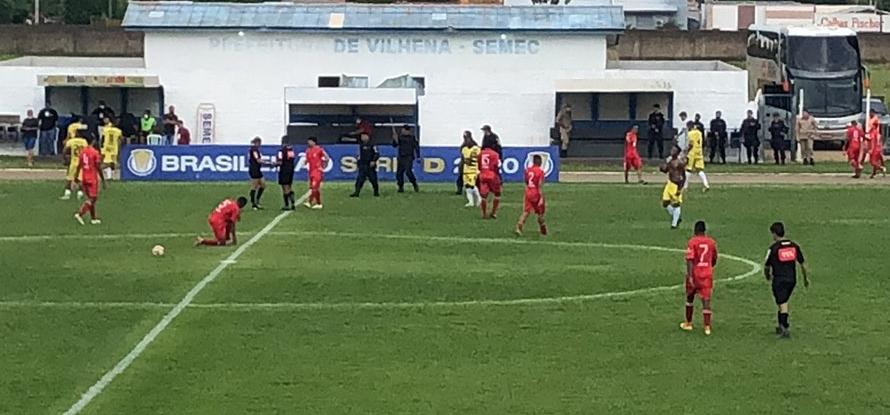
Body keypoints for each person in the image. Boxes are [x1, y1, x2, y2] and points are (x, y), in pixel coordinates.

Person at [764, 222, 809, 338]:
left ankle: (785, 327)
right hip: (792, 280)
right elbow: (802, 264)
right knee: (782, 302)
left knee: (782, 303)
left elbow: (766, 266)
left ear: (774, 234)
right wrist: (805, 279)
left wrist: (768, 276)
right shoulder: (794, 246)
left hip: (779, 280)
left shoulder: (773, 248)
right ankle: (780, 325)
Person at [680, 220, 718, 336]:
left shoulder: (692, 242)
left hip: (695, 273)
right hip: (707, 273)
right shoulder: (711, 242)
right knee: (706, 300)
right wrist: (709, 267)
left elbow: (690, 259)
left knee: (690, 297)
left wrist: (690, 276)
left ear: (695, 230)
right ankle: (707, 327)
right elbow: (715, 258)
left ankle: (688, 323)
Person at [73, 136, 105, 225]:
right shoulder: (95, 152)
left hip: (84, 177)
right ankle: (80, 214)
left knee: (90, 199)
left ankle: (93, 219)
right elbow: (98, 166)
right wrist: (103, 179)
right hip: (92, 178)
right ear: (94, 141)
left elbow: (79, 165)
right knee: (93, 198)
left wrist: (76, 177)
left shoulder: (83, 152)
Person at [515, 154, 547, 236]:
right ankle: (543, 229)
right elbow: (539, 185)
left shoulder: (528, 170)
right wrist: (541, 198)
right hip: (536, 193)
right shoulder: (540, 172)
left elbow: (526, 181)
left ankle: (519, 226)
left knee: (526, 211)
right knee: (540, 212)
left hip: (528, 191)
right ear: (540, 162)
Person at [660, 145, 686, 229]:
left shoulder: (679, 163)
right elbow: (665, 170)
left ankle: (674, 224)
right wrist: (663, 165)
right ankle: (677, 217)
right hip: (669, 183)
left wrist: (680, 189)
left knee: (676, 204)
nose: (672, 151)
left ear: (677, 153)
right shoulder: (670, 160)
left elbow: (683, 177)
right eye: (672, 149)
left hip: (676, 185)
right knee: (665, 202)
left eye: (674, 150)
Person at [60, 128, 89, 200]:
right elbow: (87, 152)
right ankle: (80, 194)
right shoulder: (84, 142)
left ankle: (67, 194)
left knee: (69, 178)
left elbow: (65, 150)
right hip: (82, 162)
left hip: (73, 162)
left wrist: (64, 158)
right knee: (80, 179)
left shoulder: (71, 141)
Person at [350, 133, 380, 198]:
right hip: (363, 165)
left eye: (364, 136)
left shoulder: (372, 145)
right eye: (361, 136)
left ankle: (376, 192)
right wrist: (358, 163)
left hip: (370, 165)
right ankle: (356, 192)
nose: (362, 138)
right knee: (360, 179)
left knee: (373, 179)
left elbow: (377, 154)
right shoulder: (361, 145)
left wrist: (373, 161)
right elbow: (359, 155)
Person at [392, 124, 420, 193]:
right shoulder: (400, 137)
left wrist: (418, 156)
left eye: (404, 130)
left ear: (408, 131)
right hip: (401, 157)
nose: (403, 131)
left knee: (408, 171)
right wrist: (394, 139)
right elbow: (395, 145)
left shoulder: (412, 138)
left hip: (409, 157)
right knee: (399, 173)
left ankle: (414, 184)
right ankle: (400, 187)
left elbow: (416, 147)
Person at [478, 145, 502, 219]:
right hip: (492, 175)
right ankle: (494, 213)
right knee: (497, 194)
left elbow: (479, 166)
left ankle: (484, 214)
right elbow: (496, 166)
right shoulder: (495, 154)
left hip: (483, 175)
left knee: (484, 196)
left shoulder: (480, 154)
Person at [458, 131, 482, 207]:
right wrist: (461, 168)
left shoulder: (476, 148)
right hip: (466, 170)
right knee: (467, 186)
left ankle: (479, 199)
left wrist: (479, 169)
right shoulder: (464, 148)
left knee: (471, 185)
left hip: (473, 170)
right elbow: (463, 159)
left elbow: (480, 158)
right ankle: (471, 202)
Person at [685, 120, 710, 192]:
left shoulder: (690, 133)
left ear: (689, 126)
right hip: (699, 152)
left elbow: (691, 144)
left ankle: (685, 186)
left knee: (688, 169)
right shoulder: (699, 132)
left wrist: (686, 151)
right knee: (699, 170)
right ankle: (706, 185)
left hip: (692, 153)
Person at [304, 136, 328, 209]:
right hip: (311, 171)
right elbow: (307, 160)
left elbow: (327, 158)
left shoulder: (319, 149)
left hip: (317, 171)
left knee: (314, 187)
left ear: (314, 142)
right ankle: (318, 203)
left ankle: (309, 202)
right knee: (314, 188)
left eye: (310, 141)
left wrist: (323, 166)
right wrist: (305, 162)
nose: (308, 143)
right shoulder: (308, 150)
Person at [276, 141, 297, 210]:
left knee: (284, 187)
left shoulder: (281, 151)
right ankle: (292, 198)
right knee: (289, 186)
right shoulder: (291, 151)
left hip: (284, 170)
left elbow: (280, 162)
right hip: (291, 170)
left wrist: (274, 164)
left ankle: (287, 204)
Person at [248, 137, 267, 210]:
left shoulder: (255, 150)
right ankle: (254, 204)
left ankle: (257, 201)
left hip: (257, 169)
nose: (260, 144)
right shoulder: (254, 150)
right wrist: (266, 163)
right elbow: (258, 160)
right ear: (256, 143)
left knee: (263, 185)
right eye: (259, 143)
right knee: (254, 186)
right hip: (254, 169)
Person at [866, 109, 886, 179]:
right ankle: (873, 174)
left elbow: (873, 141)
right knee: (877, 160)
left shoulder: (874, 132)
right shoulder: (875, 133)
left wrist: (871, 149)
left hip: (875, 147)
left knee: (872, 162)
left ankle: (881, 168)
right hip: (878, 147)